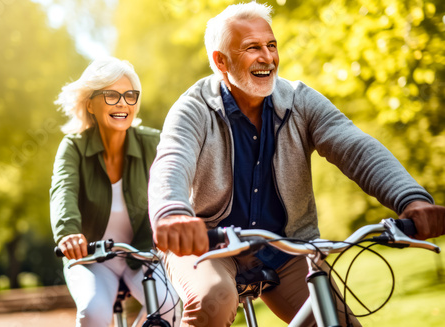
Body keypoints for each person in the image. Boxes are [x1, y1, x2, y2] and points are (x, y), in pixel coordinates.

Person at [148, 2, 445, 327]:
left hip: (284, 246)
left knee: (336, 321)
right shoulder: (194, 108)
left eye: (271, 46)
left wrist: (411, 199)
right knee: (212, 300)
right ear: (221, 61)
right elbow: (172, 160)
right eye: (252, 48)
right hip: (206, 242)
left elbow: (355, 147)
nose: (267, 57)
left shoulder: (300, 101)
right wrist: (173, 213)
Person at [50, 56, 179, 327]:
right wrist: (68, 232)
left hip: (143, 253)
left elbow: (176, 182)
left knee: (171, 305)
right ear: (90, 104)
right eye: (111, 95)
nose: (122, 103)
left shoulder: (153, 143)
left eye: (130, 95)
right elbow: (63, 190)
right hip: (91, 259)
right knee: (93, 312)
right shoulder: (73, 147)